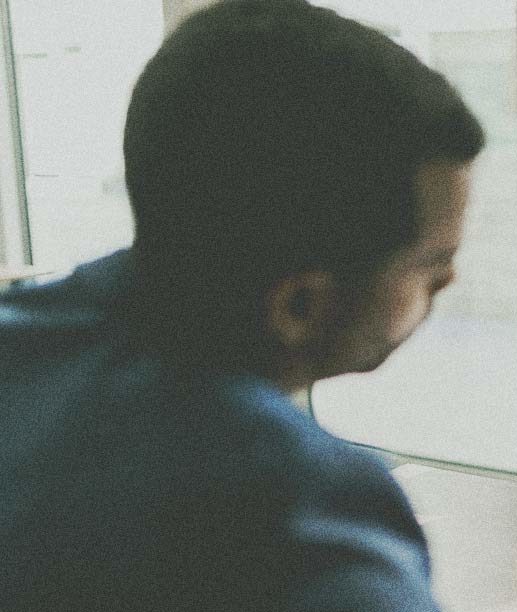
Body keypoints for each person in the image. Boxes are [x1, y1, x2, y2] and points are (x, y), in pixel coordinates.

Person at [0, 1, 483, 610]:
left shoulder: (20, 344)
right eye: (430, 266)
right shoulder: (308, 523)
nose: (451, 280)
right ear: (299, 306)